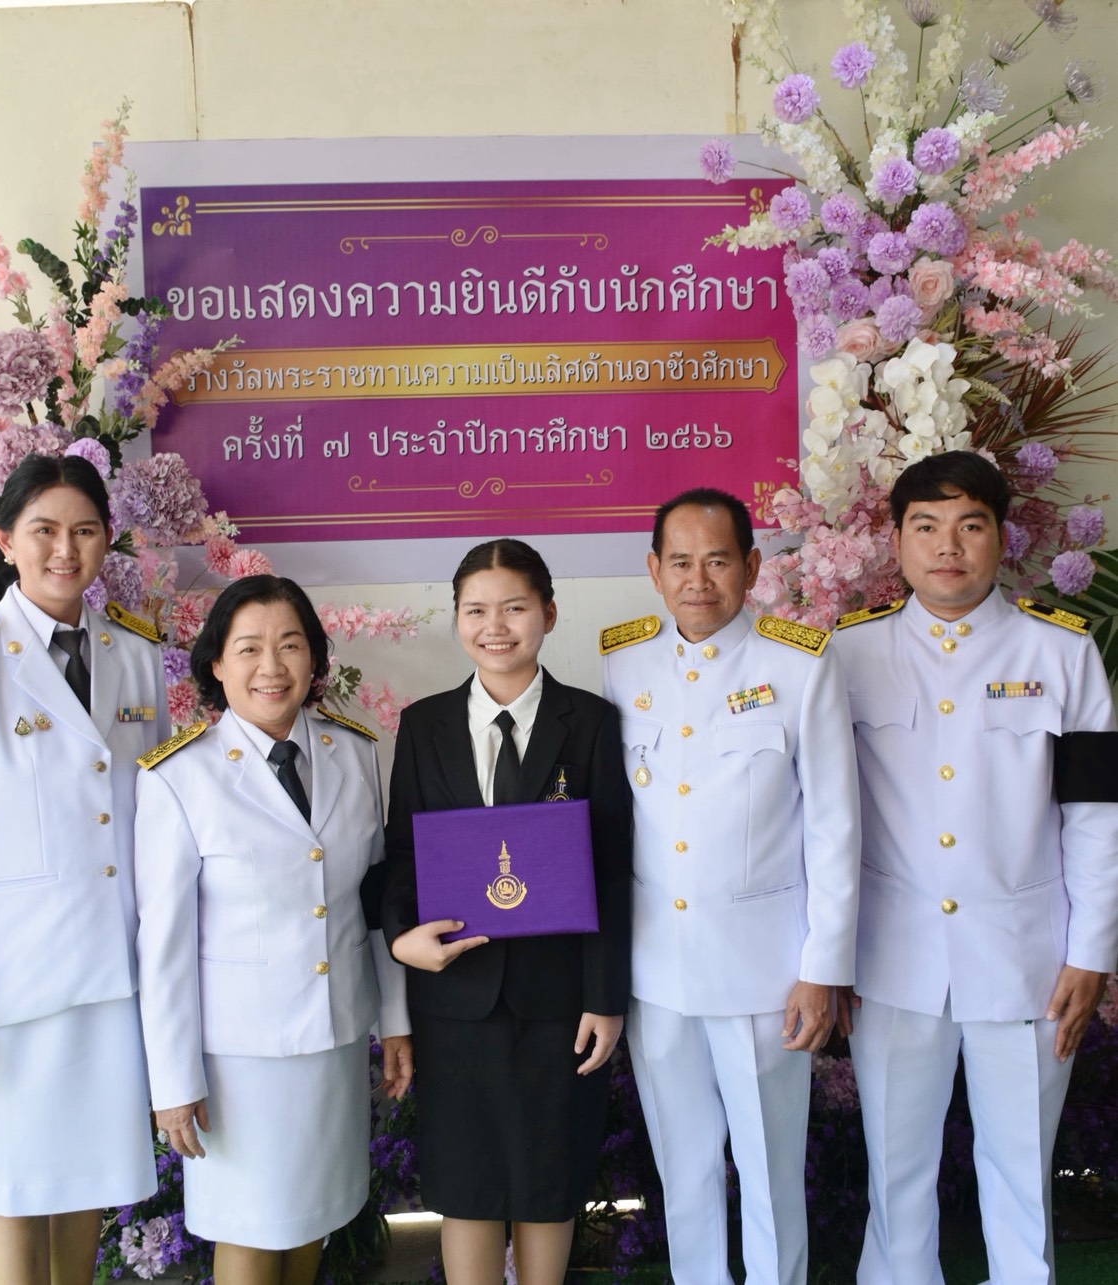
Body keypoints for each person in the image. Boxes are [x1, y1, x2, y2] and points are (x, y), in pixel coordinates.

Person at [832, 451, 1118, 1285]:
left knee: (1022, 1172)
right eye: (925, 526)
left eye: (970, 525)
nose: (947, 546)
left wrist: (1092, 951)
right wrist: (831, 954)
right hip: (891, 957)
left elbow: (1097, 815)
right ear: (896, 540)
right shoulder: (848, 653)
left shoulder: (1061, 653)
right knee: (896, 1175)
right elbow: (821, 819)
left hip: (1027, 959)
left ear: (1001, 537)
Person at [0, 452, 168, 1285]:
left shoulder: (134, 652)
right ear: (4, 538)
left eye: (84, 530)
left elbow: (155, 817)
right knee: (8, 1187)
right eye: (44, 530)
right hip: (7, 987)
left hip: (110, 972)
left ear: (107, 539)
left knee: (86, 1178)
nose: (65, 549)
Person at [600, 487, 861, 1285]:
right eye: (680, 561)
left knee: (771, 1169)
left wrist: (824, 966)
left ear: (750, 566)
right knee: (683, 1170)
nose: (698, 580)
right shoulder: (622, 663)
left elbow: (835, 825)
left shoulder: (799, 664)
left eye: (717, 560)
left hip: (764, 972)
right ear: (654, 569)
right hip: (658, 969)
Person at [134, 574, 411, 1285]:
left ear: (314, 658)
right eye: (249, 648)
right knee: (251, 1233)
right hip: (240, 1058)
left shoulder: (354, 752)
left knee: (312, 1222)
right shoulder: (179, 777)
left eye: (290, 645)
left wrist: (395, 1020)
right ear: (216, 664)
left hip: (334, 1038)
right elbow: (164, 948)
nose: (272, 666)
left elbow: (376, 900)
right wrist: (173, 1080)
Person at [382, 538, 631, 1285]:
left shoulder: (590, 721)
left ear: (548, 613)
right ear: (457, 617)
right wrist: (399, 940)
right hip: (456, 998)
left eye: (515, 608)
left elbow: (612, 868)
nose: (496, 627)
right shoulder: (423, 724)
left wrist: (605, 996)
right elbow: (402, 855)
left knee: (549, 1180)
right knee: (467, 1185)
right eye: (476, 610)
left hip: (559, 1002)